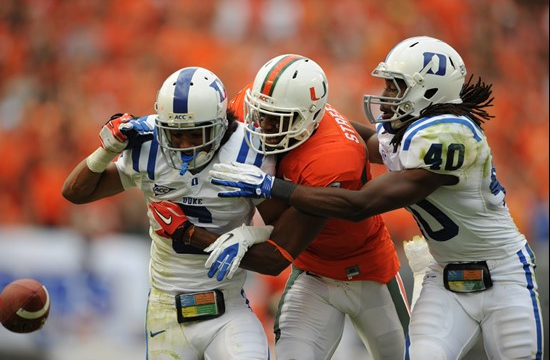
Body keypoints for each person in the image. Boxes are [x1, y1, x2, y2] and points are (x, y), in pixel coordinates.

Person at [208, 37, 544, 360]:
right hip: (443, 274)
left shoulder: (449, 138)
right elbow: (360, 142)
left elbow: (360, 205)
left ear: (427, 90)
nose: (385, 95)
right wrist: (312, 115)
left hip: (503, 272)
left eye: (395, 86)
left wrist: (271, 186)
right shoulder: (409, 132)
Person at [202, 54, 410, 360]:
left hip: (369, 272)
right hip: (314, 274)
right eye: (262, 114)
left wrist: (192, 235)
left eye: (277, 120)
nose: (263, 126)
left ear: (309, 118)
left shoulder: (332, 159)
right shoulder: (255, 101)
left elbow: (277, 255)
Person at [62, 66, 276, 360]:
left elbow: (285, 240)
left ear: (221, 123)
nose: (186, 146)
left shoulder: (249, 150)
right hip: (167, 310)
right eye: (176, 135)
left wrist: (249, 233)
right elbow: (75, 193)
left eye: (194, 133)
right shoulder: (148, 145)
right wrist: (106, 151)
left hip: (229, 307)